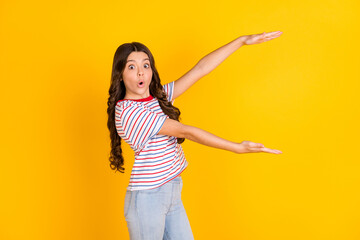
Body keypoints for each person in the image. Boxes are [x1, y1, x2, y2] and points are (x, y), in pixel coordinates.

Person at [107, 31, 283, 240]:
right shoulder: (128, 111)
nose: (140, 73)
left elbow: (200, 69)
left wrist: (241, 41)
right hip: (148, 199)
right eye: (131, 67)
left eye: (146, 65)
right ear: (120, 74)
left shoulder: (157, 98)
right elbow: (185, 131)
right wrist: (237, 147)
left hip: (171, 193)